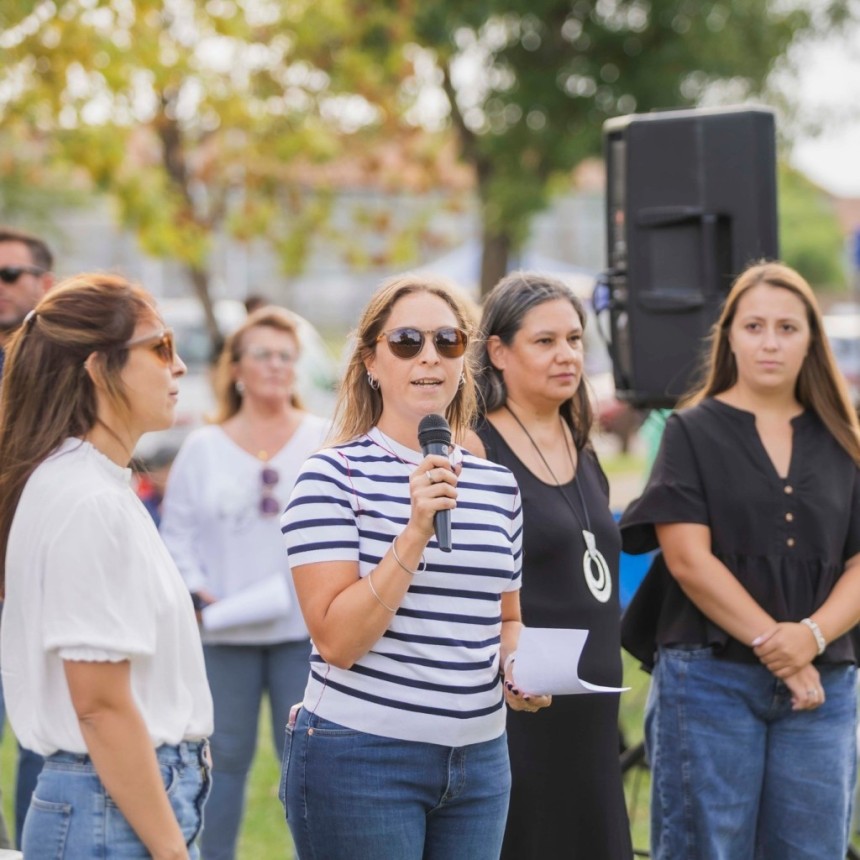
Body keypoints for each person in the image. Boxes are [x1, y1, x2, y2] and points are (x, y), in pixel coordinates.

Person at [279, 273, 550, 860]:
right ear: (371, 362)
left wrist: (520, 671)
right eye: (406, 341)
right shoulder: (330, 477)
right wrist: (415, 532)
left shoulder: (498, 485)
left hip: (480, 763)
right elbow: (337, 641)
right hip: (362, 757)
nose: (429, 357)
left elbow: (506, 619)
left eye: (448, 341)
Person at [620, 261, 860, 860]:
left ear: (811, 340)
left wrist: (810, 638)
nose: (771, 342)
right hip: (708, 683)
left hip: (823, 690)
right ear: (729, 335)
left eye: (787, 327)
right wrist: (778, 646)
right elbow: (688, 560)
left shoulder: (845, 441)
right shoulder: (690, 432)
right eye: (754, 326)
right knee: (707, 850)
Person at [0, 273, 214, 859]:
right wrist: (172, 851)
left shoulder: (92, 485)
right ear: (99, 367)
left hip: (117, 800)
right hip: (111, 810)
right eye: (159, 347)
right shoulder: (85, 500)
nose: (180, 367)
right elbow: (99, 705)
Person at [465, 271, 632, 860]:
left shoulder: (578, 436)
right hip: (519, 710)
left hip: (592, 711)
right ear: (498, 352)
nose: (567, 355)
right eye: (545, 341)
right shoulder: (477, 447)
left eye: (575, 338)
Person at [159, 305, 329, 860]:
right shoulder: (203, 448)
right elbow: (176, 532)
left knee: (311, 761)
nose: (277, 365)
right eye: (263, 354)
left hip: (303, 633)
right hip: (224, 633)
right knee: (223, 761)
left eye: (286, 355)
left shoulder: (323, 439)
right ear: (235, 368)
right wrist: (197, 587)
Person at [0, 226, 55, 850]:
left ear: (45, 282)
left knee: (44, 741)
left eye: (9, 275)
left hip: (43, 582)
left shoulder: (66, 372)